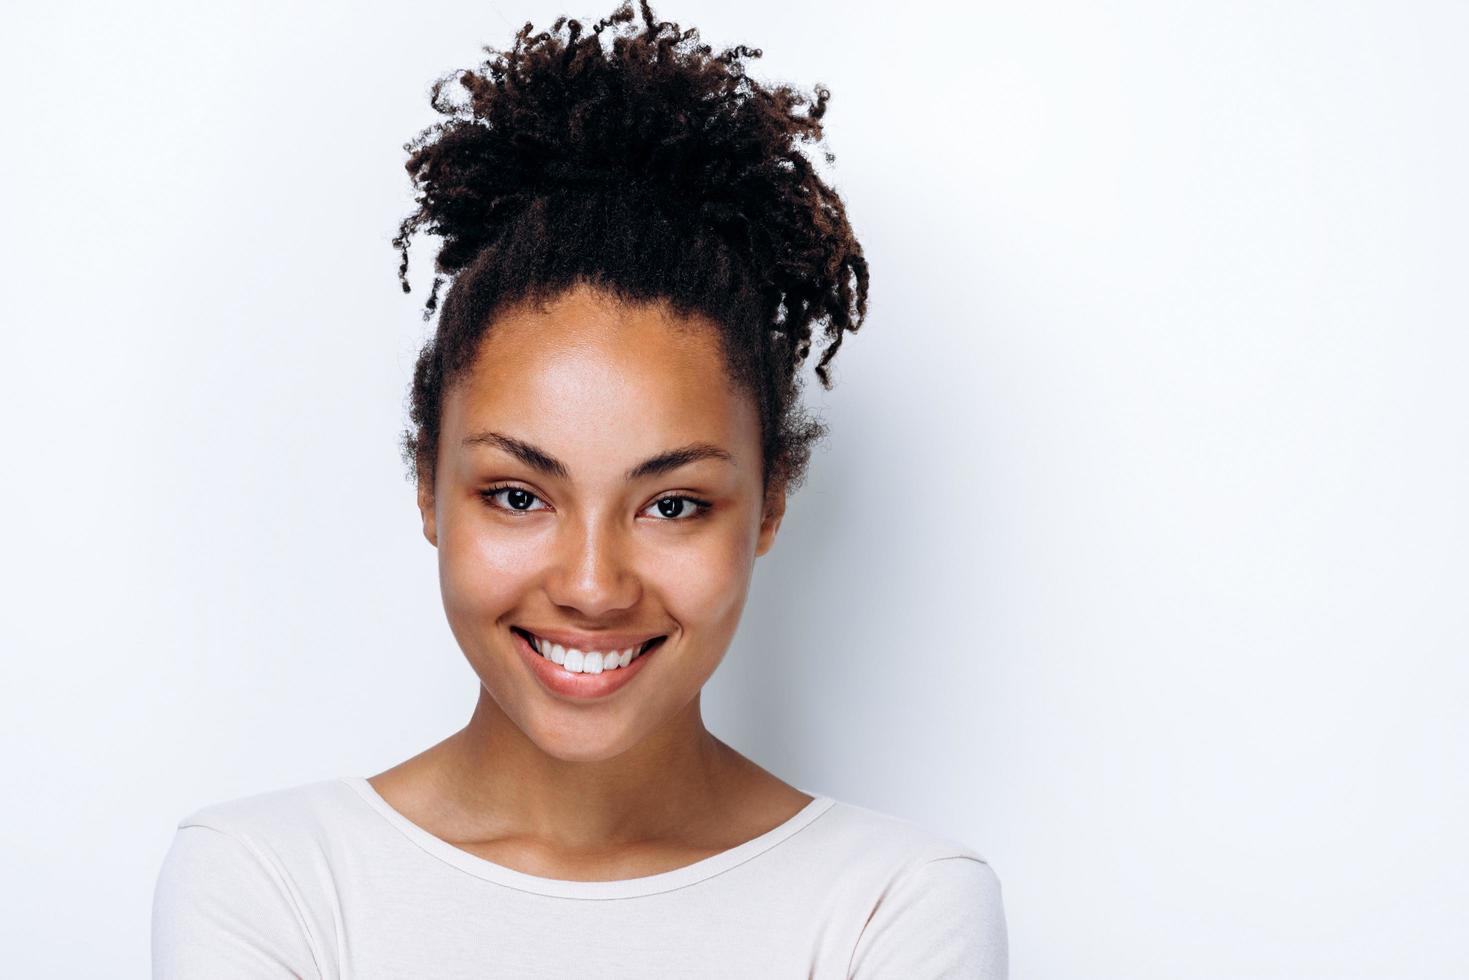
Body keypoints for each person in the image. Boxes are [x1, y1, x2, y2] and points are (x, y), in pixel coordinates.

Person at [150, 2, 1008, 975]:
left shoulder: (892, 904)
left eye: (672, 503)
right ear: (428, 485)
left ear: (768, 504)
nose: (593, 586)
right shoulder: (271, 882)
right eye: (518, 494)